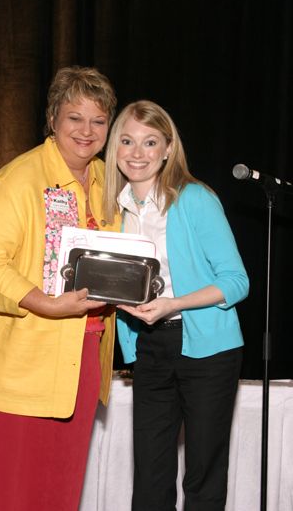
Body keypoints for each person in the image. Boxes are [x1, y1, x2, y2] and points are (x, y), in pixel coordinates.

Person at [0, 65, 121, 511]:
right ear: (52, 119)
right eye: (75, 117)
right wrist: (43, 303)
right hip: (17, 366)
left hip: (82, 362)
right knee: (0, 496)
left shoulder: (110, 183)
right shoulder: (17, 180)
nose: (86, 131)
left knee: (56, 494)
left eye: (99, 120)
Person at [103, 100, 249, 511]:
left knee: (203, 473)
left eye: (150, 142)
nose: (137, 153)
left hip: (209, 349)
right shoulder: (114, 210)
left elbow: (237, 282)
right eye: (127, 141)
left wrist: (174, 304)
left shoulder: (195, 199)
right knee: (150, 475)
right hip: (149, 346)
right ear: (115, 149)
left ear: (168, 149)